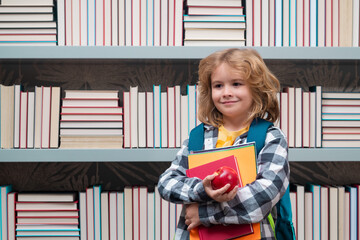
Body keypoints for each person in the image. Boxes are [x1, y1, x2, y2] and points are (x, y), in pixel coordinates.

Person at [157, 48, 290, 240]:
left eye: (236, 84)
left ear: (256, 88)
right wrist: (203, 190)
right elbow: (166, 183)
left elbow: (262, 197)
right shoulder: (198, 137)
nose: (226, 93)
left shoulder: (271, 137)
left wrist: (203, 215)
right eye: (218, 86)